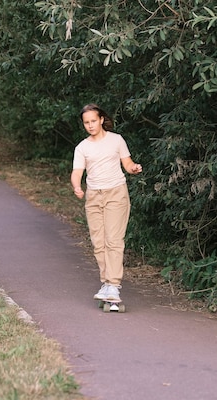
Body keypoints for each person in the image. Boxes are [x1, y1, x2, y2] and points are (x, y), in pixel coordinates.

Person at [71, 104, 143, 302]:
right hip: (94, 196)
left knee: (113, 240)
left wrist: (133, 168)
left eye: (94, 121)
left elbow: (126, 163)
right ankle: (107, 283)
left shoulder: (116, 140)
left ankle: (113, 284)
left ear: (102, 119)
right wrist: (77, 187)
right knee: (98, 243)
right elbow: (77, 172)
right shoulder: (82, 147)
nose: (91, 125)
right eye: (87, 123)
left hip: (116, 193)